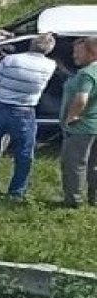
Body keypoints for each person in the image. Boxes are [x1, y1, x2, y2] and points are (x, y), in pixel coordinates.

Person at [0, 33, 58, 201]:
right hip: (24, 111)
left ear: (31, 44)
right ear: (50, 50)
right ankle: (17, 191)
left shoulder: (10, 60)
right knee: (24, 153)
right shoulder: (51, 65)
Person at [60, 37, 97, 208]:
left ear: (92, 52)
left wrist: (72, 116)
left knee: (75, 164)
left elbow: (82, 98)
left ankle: (74, 200)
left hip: (82, 126)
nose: (74, 55)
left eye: (79, 52)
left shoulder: (87, 74)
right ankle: (94, 198)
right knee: (94, 164)